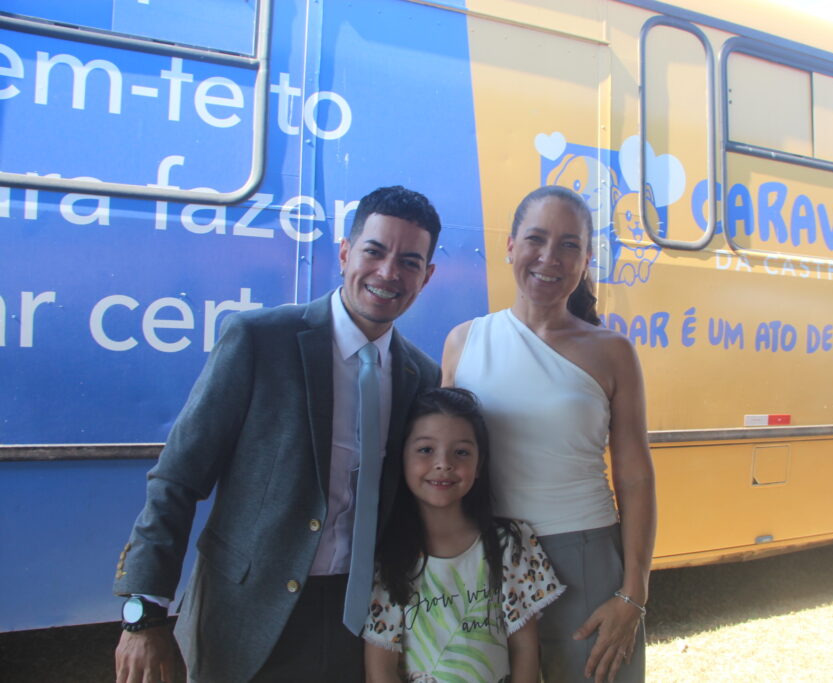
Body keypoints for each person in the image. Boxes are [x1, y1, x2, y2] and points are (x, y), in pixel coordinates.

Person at [113, 186, 443, 683]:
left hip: (362, 621)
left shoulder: (422, 375)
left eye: (410, 261)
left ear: (427, 276)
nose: (388, 272)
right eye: (374, 251)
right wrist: (144, 612)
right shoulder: (259, 340)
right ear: (345, 252)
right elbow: (177, 479)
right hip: (247, 615)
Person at [442, 185, 657, 683]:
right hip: (483, 557)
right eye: (536, 239)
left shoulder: (613, 352)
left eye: (569, 245)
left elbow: (636, 478)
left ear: (586, 259)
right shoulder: (464, 341)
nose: (549, 257)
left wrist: (633, 593)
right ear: (510, 246)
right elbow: (441, 468)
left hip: (584, 561)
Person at [363, 387, 565, 682]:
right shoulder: (387, 554)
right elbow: (379, 670)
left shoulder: (510, 543)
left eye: (461, 452)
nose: (444, 463)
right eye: (425, 450)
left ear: (480, 463)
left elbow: (525, 649)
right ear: (401, 457)